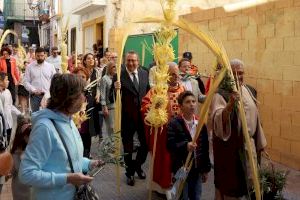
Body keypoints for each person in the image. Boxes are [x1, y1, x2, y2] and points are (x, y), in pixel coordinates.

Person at [19, 73, 103, 200]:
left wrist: (88, 163)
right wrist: (67, 178)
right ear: (70, 98)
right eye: (82, 93)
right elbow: (26, 174)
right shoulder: (45, 128)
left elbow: (65, 159)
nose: (85, 98)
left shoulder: (69, 120)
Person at [208, 59, 267, 200]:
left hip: (250, 147)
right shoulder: (220, 94)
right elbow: (217, 119)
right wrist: (229, 105)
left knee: (251, 184)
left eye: (241, 73)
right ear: (228, 74)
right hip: (231, 151)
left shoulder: (249, 90)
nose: (239, 76)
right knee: (232, 188)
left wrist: (261, 143)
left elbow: (256, 118)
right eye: (235, 73)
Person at [141, 62, 185, 197]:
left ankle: (177, 186)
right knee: (164, 162)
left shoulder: (182, 89)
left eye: (177, 74)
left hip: (179, 134)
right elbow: (144, 107)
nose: (175, 77)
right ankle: (162, 188)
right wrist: (155, 108)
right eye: (172, 74)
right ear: (165, 74)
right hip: (163, 133)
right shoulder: (157, 90)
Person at [113, 50, 150, 186]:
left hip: (143, 118)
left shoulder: (144, 73)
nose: (131, 63)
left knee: (145, 145)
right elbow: (113, 96)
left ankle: (138, 166)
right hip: (127, 118)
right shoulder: (118, 76)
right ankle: (129, 173)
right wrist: (115, 88)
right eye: (128, 60)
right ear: (125, 62)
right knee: (128, 148)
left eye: (134, 60)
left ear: (138, 62)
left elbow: (148, 92)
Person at [167, 91, 211, 200]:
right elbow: (170, 145)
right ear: (181, 106)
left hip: (197, 168)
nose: (191, 104)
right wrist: (185, 145)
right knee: (182, 195)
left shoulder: (200, 124)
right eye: (187, 102)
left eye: (193, 101)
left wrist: (205, 169)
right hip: (181, 168)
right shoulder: (174, 123)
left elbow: (205, 148)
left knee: (196, 195)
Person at [24, 47, 56, 113]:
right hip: (35, 96)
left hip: (47, 96)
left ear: (45, 56)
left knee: (47, 115)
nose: (40, 57)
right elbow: (26, 82)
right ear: (35, 55)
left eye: (42, 56)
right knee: (35, 115)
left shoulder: (50, 66)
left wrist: (51, 92)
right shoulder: (29, 67)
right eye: (38, 56)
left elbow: (55, 80)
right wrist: (34, 90)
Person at [10, 115, 32, 200]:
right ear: (23, 137)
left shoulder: (35, 151)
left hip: (32, 191)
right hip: (20, 191)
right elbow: (10, 172)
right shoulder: (15, 153)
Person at [72, 66, 92, 157]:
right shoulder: (69, 93)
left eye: (83, 77)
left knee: (85, 147)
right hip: (72, 126)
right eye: (78, 77)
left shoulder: (90, 92)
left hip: (86, 126)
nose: (80, 79)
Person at [0, 72, 21, 144]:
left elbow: (10, 105)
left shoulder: (8, 92)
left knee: (7, 143)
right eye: (6, 80)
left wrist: (19, 114)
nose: (8, 81)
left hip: (8, 123)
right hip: (1, 125)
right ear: (0, 82)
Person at [99, 62, 116, 137]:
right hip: (109, 107)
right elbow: (102, 93)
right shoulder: (104, 78)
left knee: (116, 128)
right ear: (109, 68)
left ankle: (116, 146)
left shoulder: (117, 78)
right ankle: (111, 146)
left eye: (116, 66)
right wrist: (104, 106)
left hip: (117, 107)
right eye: (113, 67)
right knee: (111, 127)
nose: (115, 68)